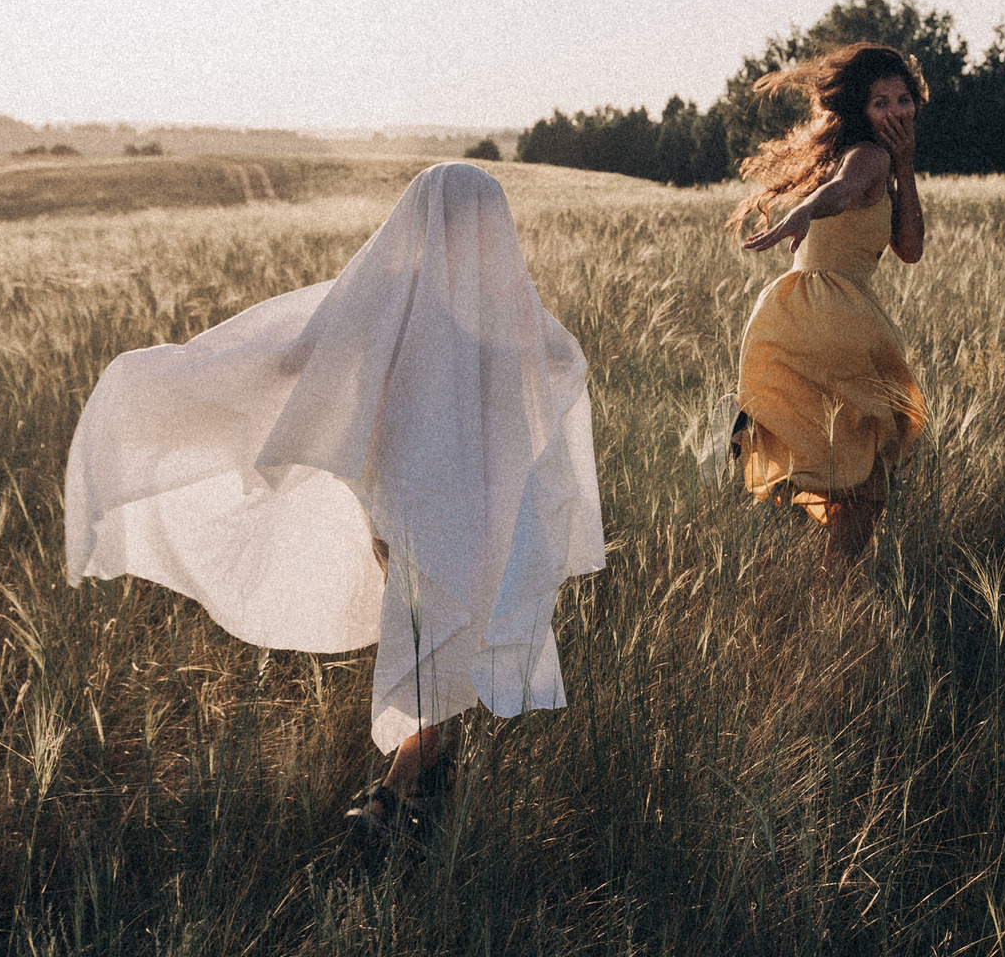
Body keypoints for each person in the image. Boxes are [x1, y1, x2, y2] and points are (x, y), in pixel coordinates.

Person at [62, 162, 606, 838]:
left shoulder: (396, 292)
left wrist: (189, 378)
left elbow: (300, 358)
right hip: (476, 508)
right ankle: (418, 790)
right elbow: (563, 363)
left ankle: (408, 793)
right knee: (439, 633)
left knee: (431, 633)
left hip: (406, 505)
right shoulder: (507, 304)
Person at [730, 42, 929, 563]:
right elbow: (841, 191)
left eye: (902, 98)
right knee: (874, 463)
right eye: (880, 102)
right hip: (839, 312)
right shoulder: (868, 157)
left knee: (847, 463)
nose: (895, 111)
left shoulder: (881, 161)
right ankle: (835, 585)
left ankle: (821, 578)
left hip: (802, 309)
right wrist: (805, 212)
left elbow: (909, 249)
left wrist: (905, 167)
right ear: (860, 112)